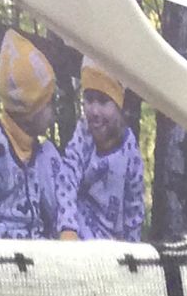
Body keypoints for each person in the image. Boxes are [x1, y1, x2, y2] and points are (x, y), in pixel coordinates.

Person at [0, 27, 66, 240]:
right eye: (48, 103)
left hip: (40, 248)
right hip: (5, 248)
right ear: (30, 110)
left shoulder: (43, 155)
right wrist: (3, 245)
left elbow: (59, 209)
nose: (53, 110)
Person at [59, 60, 147, 241]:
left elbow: (134, 211)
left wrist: (133, 249)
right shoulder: (84, 134)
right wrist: (68, 227)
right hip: (78, 230)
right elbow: (67, 177)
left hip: (111, 241)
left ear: (119, 105)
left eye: (103, 101)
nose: (94, 111)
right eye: (89, 100)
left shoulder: (130, 152)